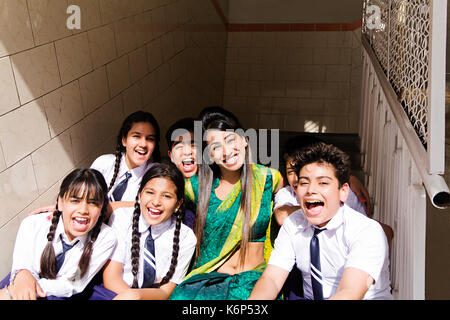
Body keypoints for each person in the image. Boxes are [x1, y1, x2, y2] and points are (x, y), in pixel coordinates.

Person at [249, 142, 392, 300]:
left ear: (343, 192)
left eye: (323, 182)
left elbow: (349, 293)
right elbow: (272, 279)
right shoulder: (293, 223)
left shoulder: (366, 230)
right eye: (304, 182)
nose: (311, 190)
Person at [169, 107, 283, 300]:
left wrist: (353, 183)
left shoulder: (268, 178)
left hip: (253, 283)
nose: (226, 151)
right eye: (215, 147)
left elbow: (303, 191)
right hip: (206, 282)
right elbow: (160, 197)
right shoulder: (196, 187)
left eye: (230, 140)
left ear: (245, 140)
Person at [0, 169, 117, 300]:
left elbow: (72, 284)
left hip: (59, 293)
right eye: (75, 201)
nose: (83, 210)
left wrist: (20, 289)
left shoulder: (106, 237)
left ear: (101, 209)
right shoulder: (32, 224)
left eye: (93, 203)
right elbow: (22, 268)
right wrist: (22, 276)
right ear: (60, 202)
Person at [29, 110, 161, 217]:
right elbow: (82, 194)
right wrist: (61, 207)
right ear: (124, 140)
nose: (143, 144)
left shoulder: (156, 174)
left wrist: (113, 207)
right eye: (136, 136)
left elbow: (158, 206)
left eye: (150, 139)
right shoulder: (104, 163)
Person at [96, 162, 197, 300]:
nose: (156, 202)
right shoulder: (121, 218)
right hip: (113, 293)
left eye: (166, 196)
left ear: (178, 204)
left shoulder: (186, 238)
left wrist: (135, 296)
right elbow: (111, 278)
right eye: (150, 192)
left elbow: (164, 292)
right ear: (139, 195)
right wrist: (129, 296)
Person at [164, 117, 199, 229]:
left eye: (194, 145)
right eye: (179, 146)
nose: (187, 151)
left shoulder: (217, 186)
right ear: (171, 156)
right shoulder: (164, 186)